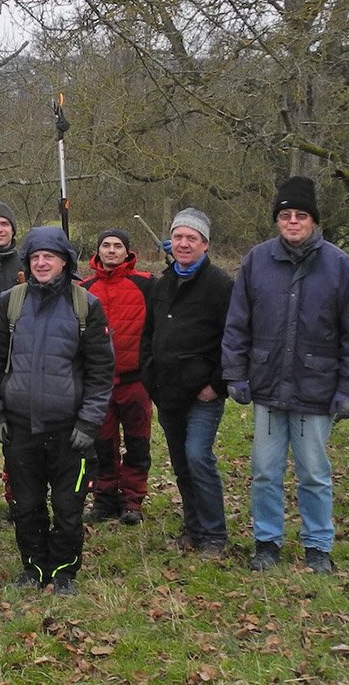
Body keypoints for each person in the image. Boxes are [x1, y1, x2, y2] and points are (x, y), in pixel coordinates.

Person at [222, 176, 349, 574]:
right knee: (264, 473)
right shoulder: (256, 261)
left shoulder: (339, 266)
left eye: (301, 215)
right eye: (286, 215)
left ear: (314, 221)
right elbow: (237, 324)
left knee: (314, 475)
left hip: (316, 388)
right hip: (268, 386)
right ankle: (267, 541)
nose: (293, 222)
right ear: (277, 220)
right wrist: (235, 373)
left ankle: (318, 545)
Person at [0, 226, 113, 595]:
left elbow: (101, 372)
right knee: (26, 505)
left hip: (70, 430)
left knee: (68, 507)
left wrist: (89, 422)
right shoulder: (10, 303)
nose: (41, 263)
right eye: (35, 257)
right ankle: (34, 566)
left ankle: (65, 569)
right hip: (20, 428)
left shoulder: (86, 306)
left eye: (49, 257)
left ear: (64, 262)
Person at [141, 208, 234, 557]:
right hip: (167, 391)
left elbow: (234, 340)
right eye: (178, 236)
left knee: (198, 457)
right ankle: (193, 528)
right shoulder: (161, 284)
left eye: (191, 238)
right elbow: (148, 334)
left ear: (205, 244)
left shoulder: (221, 286)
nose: (183, 243)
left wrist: (217, 384)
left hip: (203, 394)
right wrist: (150, 374)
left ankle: (214, 534)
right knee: (181, 462)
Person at [81, 229, 153, 526]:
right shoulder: (85, 288)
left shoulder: (146, 284)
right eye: (106, 245)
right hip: (99, 384)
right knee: (102, 443)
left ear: (127, 252)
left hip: (136, 380)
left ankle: (132, 500)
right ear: (98, 251)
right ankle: (104, 497)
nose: (111, 250)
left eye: (118, 246)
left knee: (137, 442)